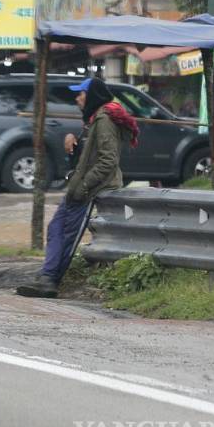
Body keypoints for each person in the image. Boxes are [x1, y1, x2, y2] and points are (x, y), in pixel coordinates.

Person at [17, 77, 139, 298]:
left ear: (92, 95)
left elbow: (108, 160)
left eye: (80, 93)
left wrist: (84, 186)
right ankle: (46, 275)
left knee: (66, 234)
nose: (77, 98)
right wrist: (73, 140)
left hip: (89, 190)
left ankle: (50, 280)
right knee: (56, 228)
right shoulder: (95, 119)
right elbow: (89, 156)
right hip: (79, 188)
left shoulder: (104, 120)